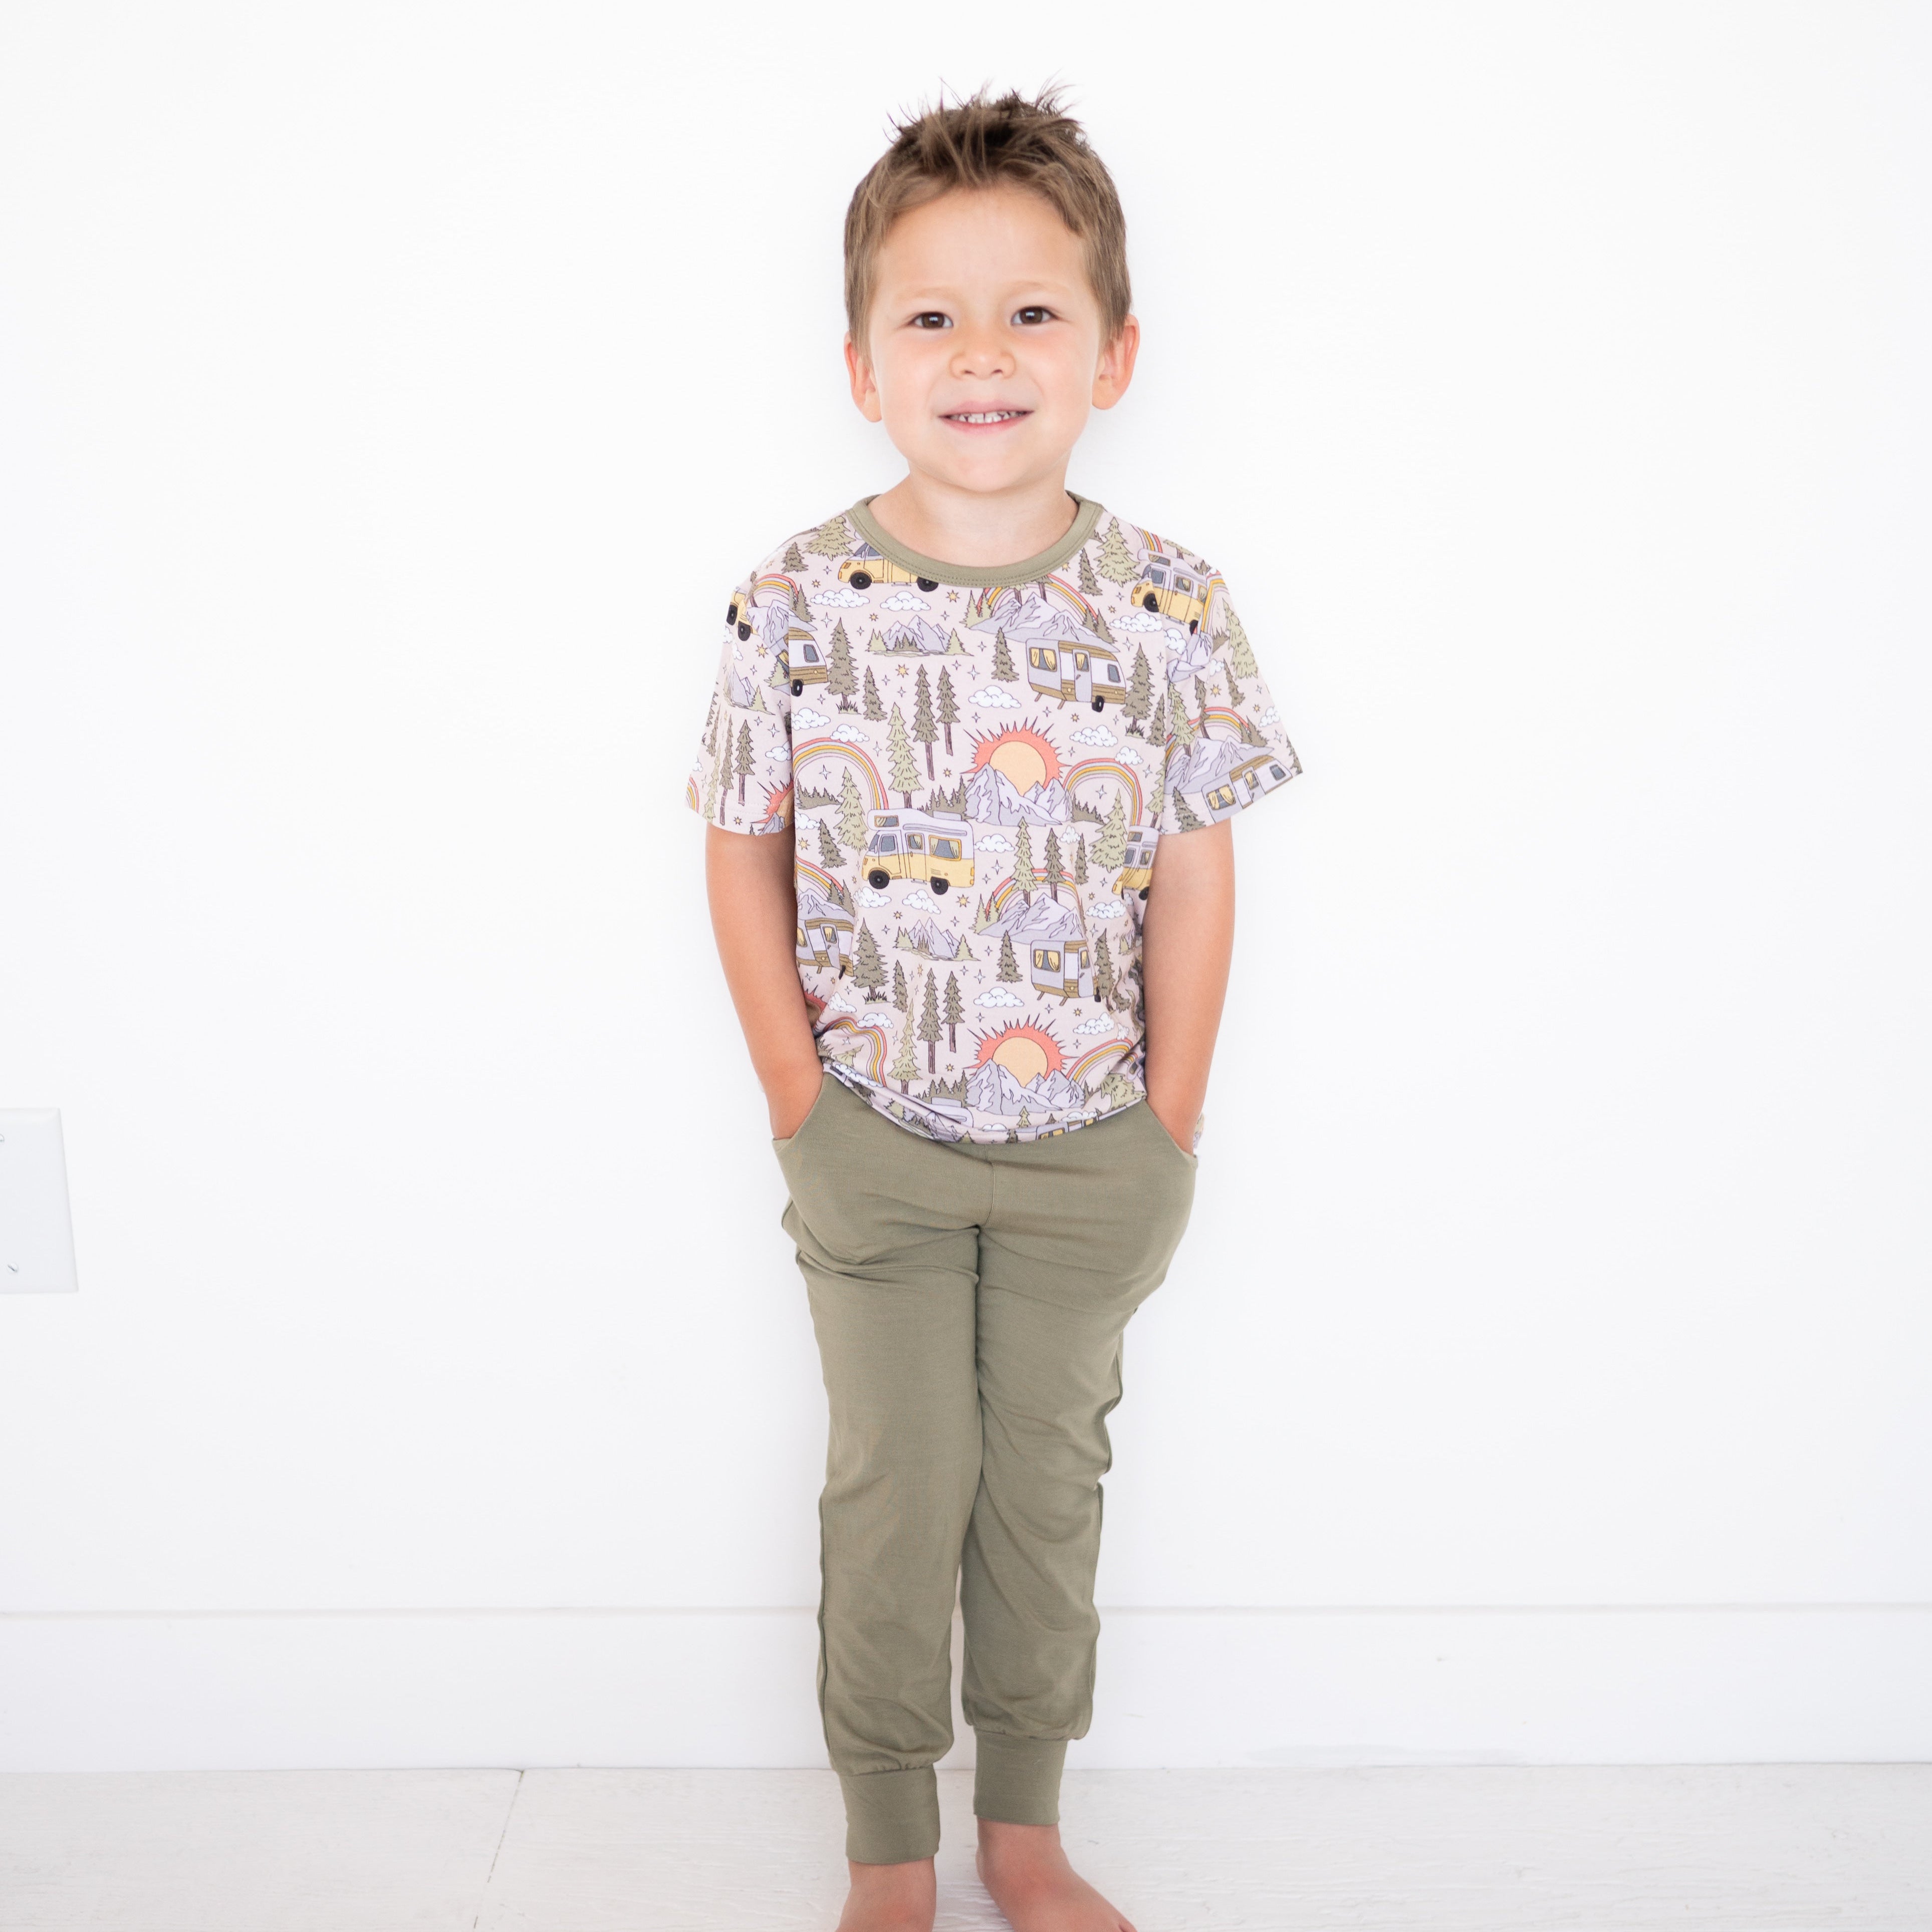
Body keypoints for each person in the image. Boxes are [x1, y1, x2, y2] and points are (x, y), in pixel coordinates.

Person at [687, 86, 1301, 1932]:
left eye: (1031, 312)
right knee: (897, 1489)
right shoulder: (792, 602)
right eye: (930, 316)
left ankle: (1021, 1827)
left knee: (1043, 1493)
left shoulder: (1170, 606)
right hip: (870, 1150)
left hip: (1091, 1156)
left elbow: (1196, 865)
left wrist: (1168, 1120)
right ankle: (891, 1852)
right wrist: (803, 1095)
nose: (981, 354)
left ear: (1114, 354)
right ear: (861, 360)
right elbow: (742, 845)